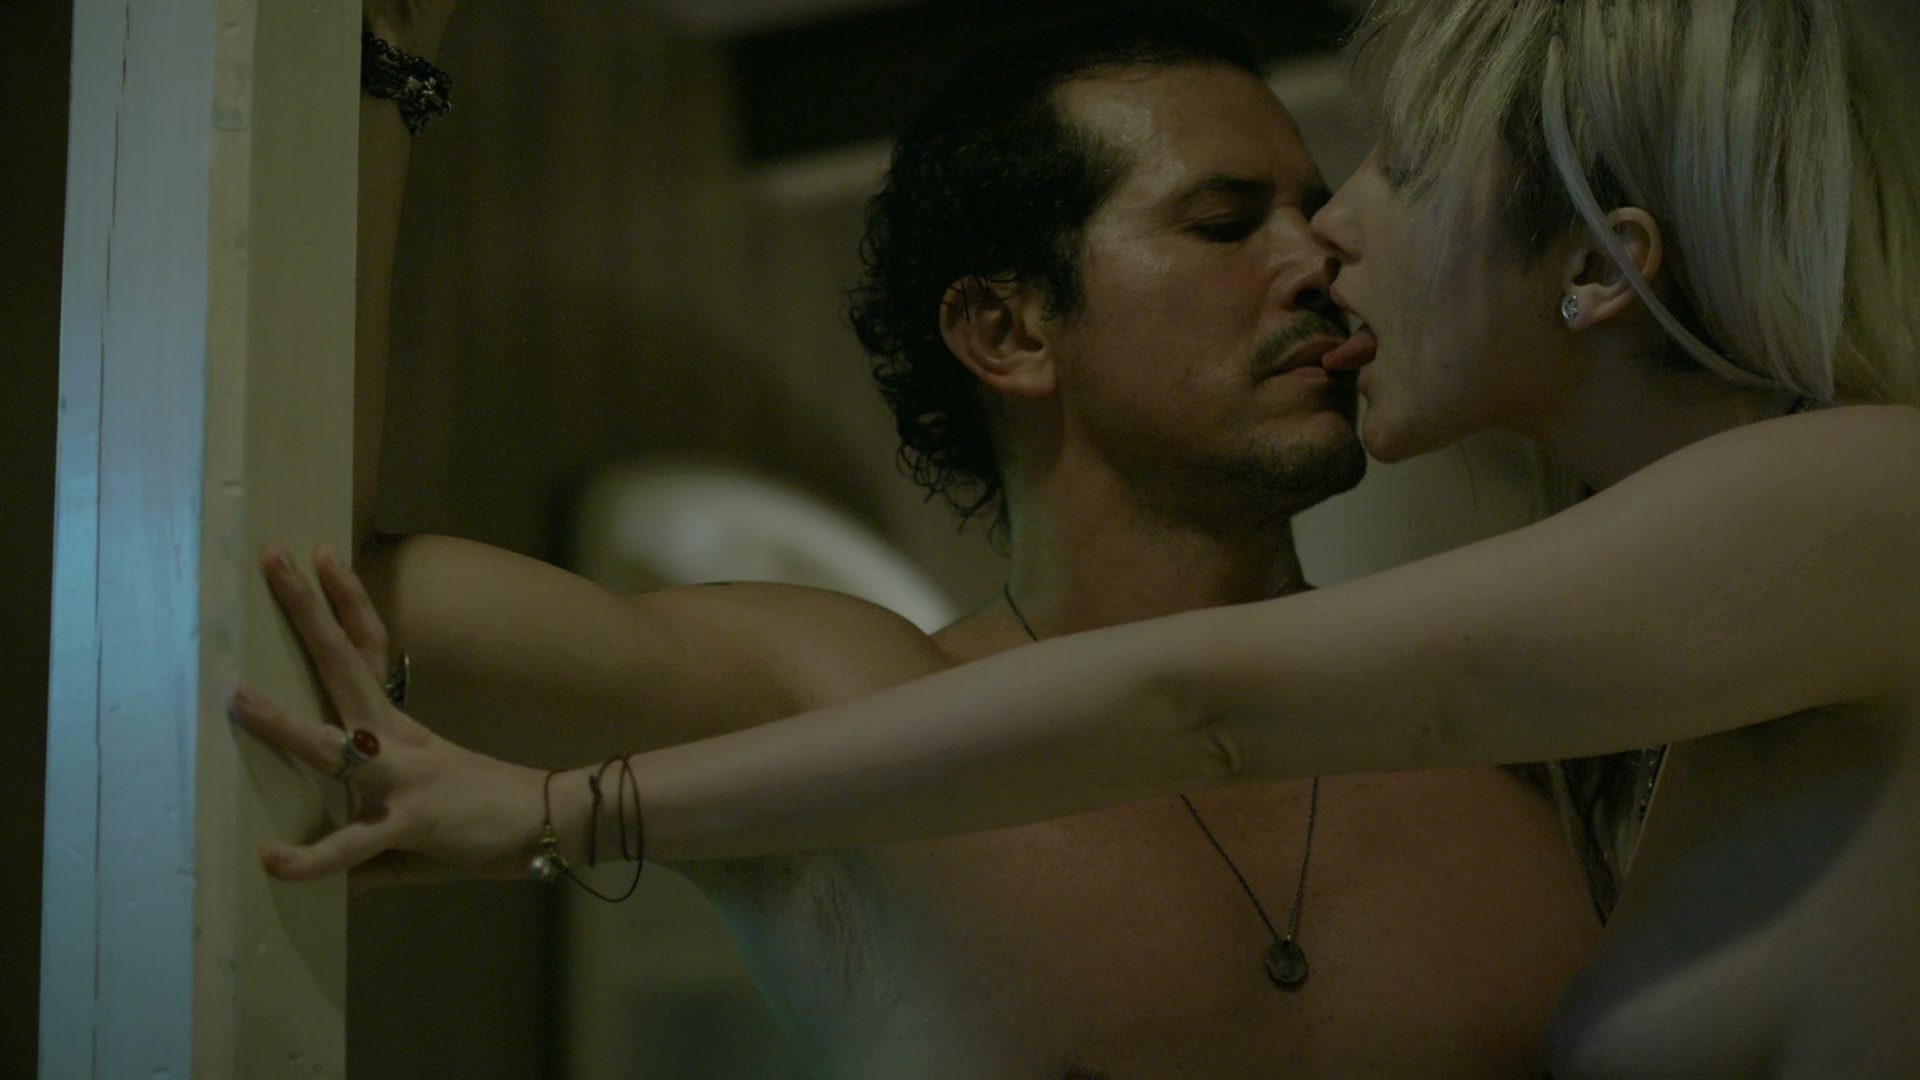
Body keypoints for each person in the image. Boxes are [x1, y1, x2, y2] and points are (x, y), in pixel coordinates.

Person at [242, 0, 1920, 1074]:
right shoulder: (825, 694)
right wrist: (376, 71)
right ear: (1010, 331)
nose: (1324, 254)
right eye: (1225, 221)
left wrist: (560, 816)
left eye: (1333, 195)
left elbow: (1202, 703)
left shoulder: (1549, 722)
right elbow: (320, 561)